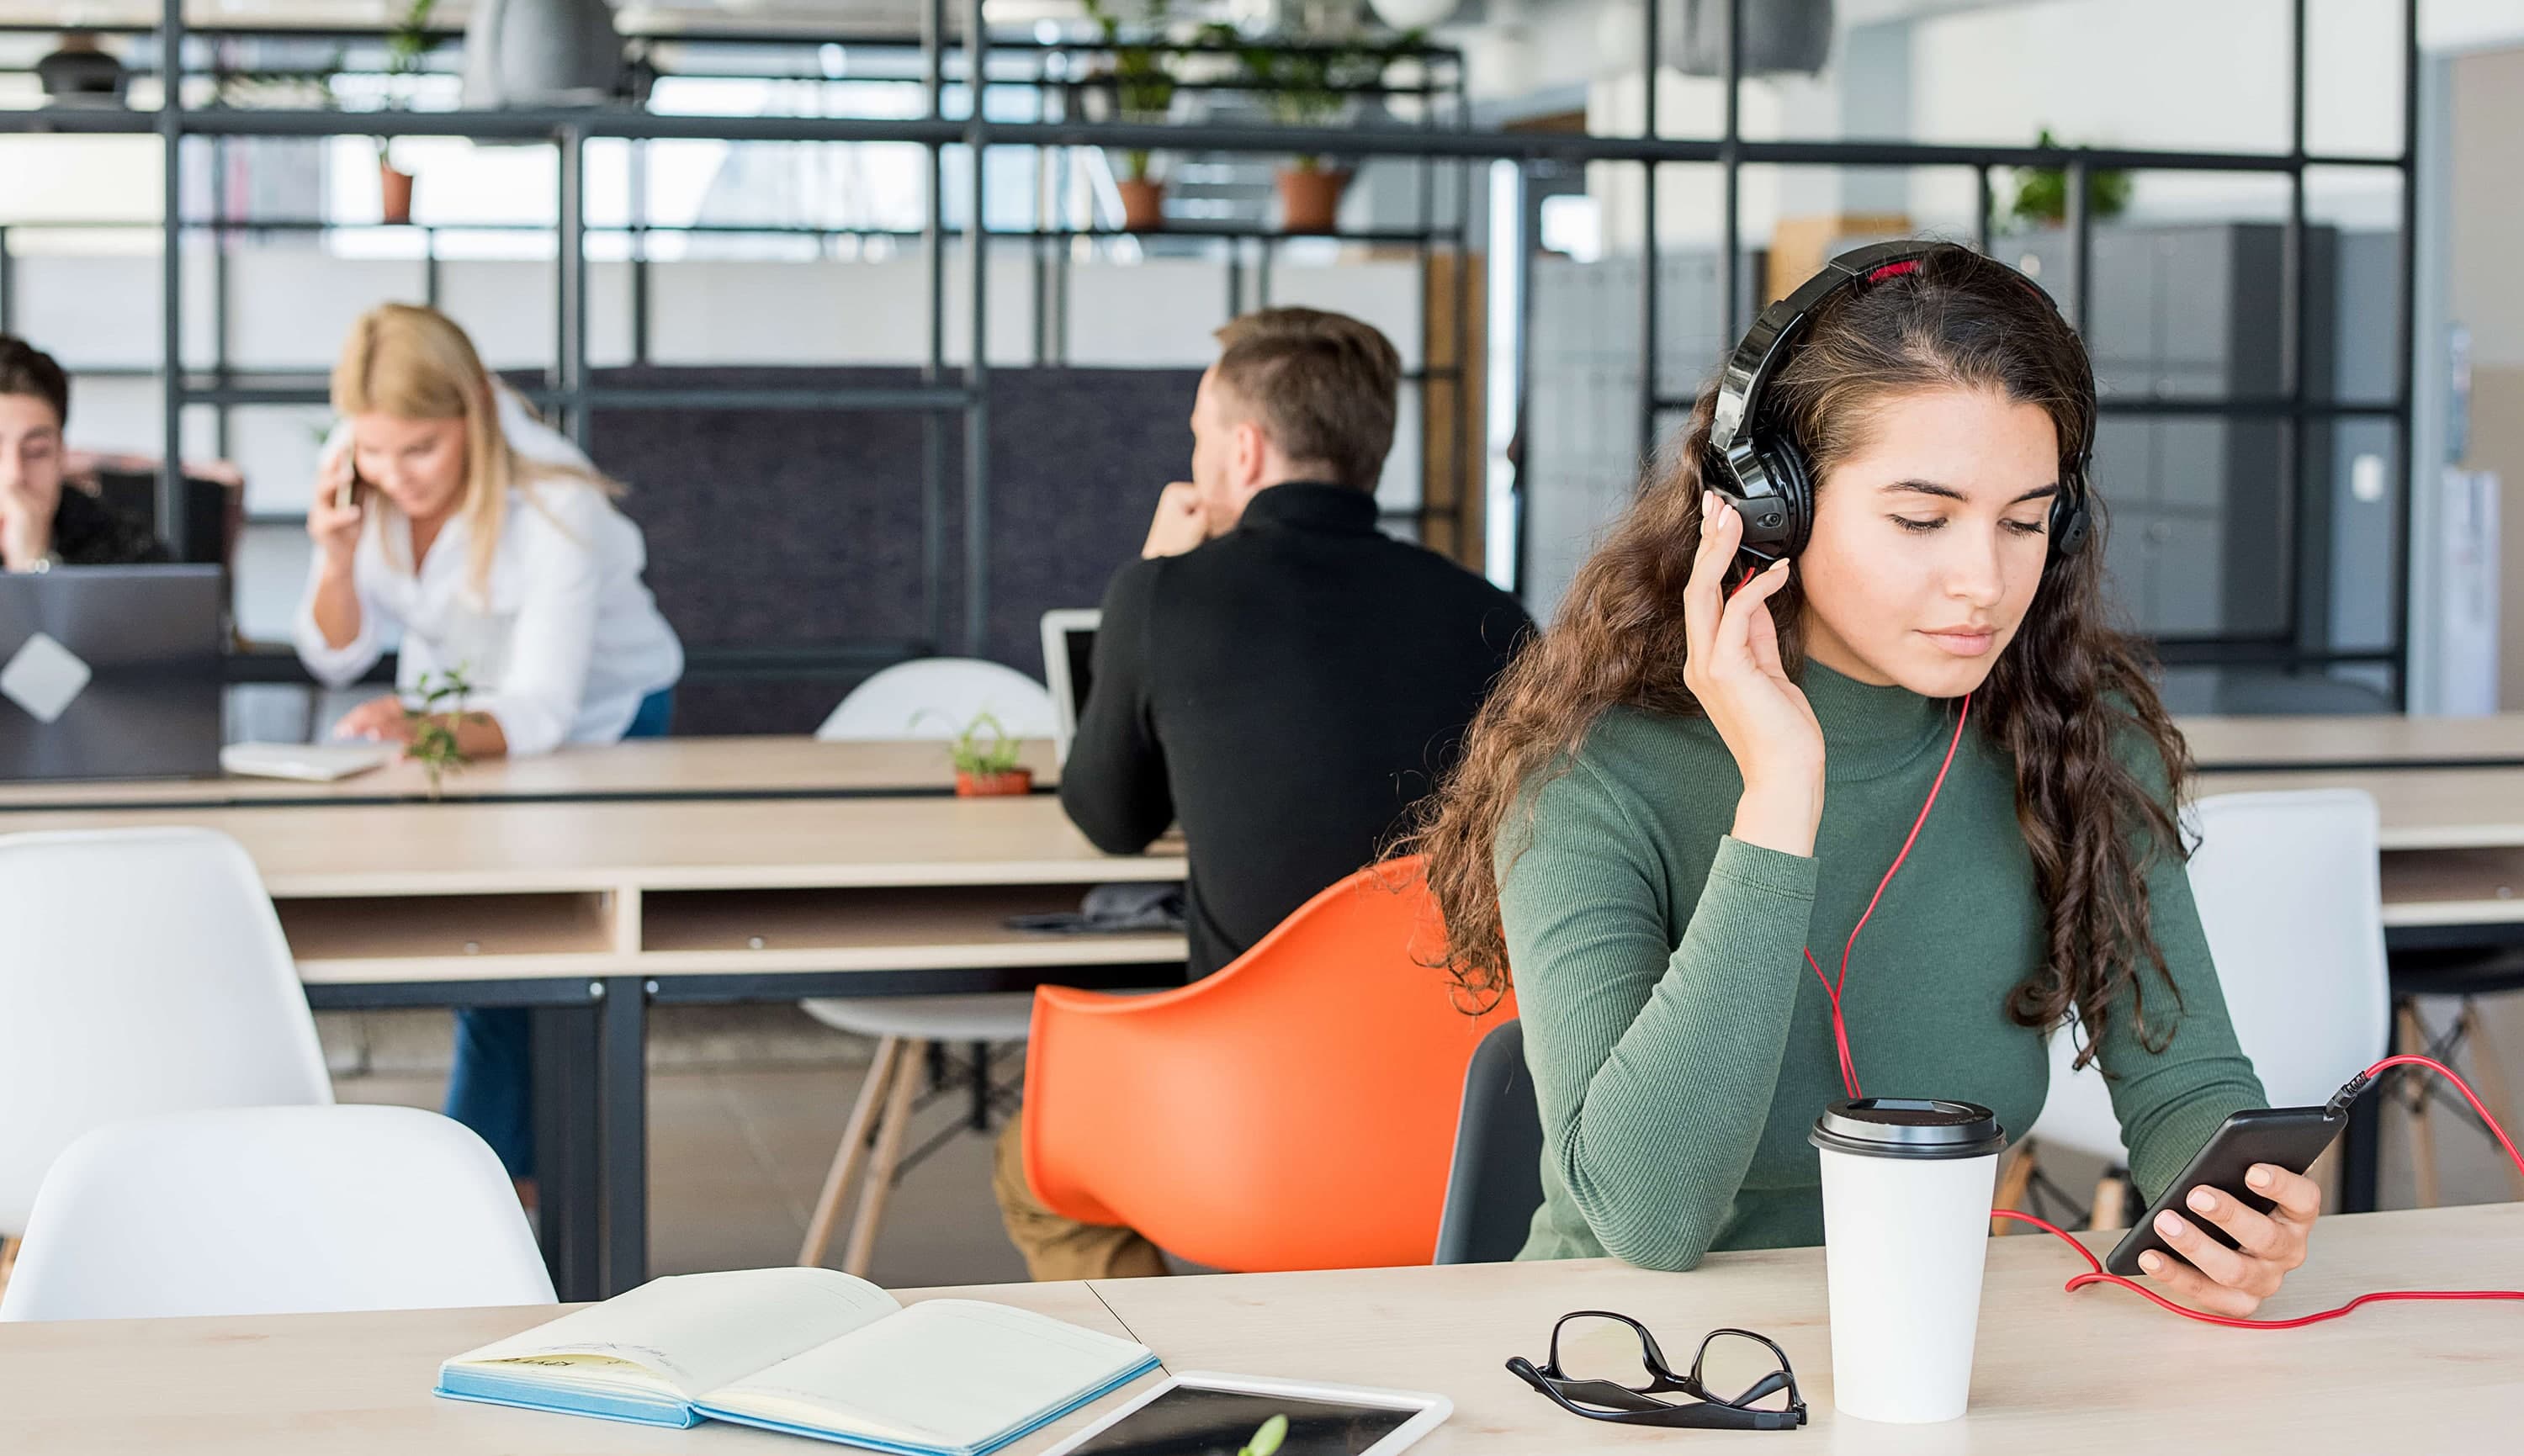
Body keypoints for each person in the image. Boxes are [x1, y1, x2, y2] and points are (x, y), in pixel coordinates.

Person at [1408, 243, 2319, 1319]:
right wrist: (1781, 793)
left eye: (2024, 521)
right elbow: (1647, 1219)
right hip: (1628, 1355)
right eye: (1921, 520)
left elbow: (2185, 1082)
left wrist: (2229, 1220)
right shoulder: (1590, 772)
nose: (1984, 580)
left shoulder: (2075, 735)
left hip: (1940, 1341)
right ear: (1768, 507)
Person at [994, 306, 1535, 1280]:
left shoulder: (1163, 596)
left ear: (1243, 451)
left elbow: (1110, 820)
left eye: (1199, 436)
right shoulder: (1492, 617)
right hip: (1458, 1129)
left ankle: (1162, 1391)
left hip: (1243, 1126)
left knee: (1035, 1171)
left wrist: (1158, 573)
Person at [296, 302, 683, 1192]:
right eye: (375, 452)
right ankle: (502, 1203)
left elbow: (544, 709)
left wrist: (415, 728)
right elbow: (335, 653)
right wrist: (334, 556)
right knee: (498, 969)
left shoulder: (556, 500)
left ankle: (479, 1206)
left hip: (608, 726)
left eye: (420, 450)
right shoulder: (363, 464)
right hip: (458, 728)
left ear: (473, 407)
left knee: (529, 973)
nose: (396, 477)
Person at [0, 335, 169, 571]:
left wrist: (33, 564)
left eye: (37, 452)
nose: (14, 475)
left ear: (61, 456)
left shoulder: (122, 548)